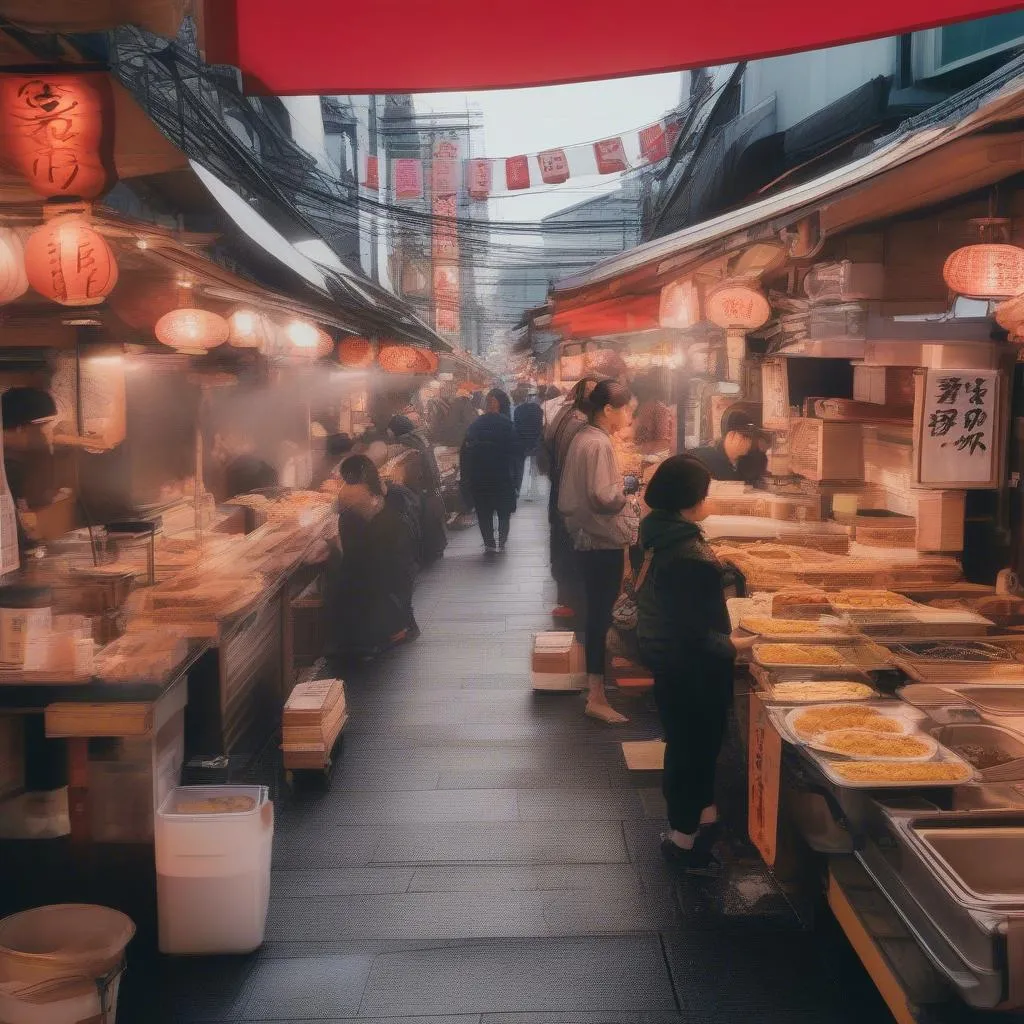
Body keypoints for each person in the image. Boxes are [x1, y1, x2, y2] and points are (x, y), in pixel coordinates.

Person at [636, 455, 756, 871]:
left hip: (671, 665)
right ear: (690, 499)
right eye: (704, 493)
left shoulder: (657, 534)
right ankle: (682, 840)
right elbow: (695, 632)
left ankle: (706, 823)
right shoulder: (689, 553)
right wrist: (736, 646)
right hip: (694, 670)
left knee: (691, 747)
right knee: (694, 751)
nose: (709, 500)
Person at [558, 378, 638, 725]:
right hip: (599, 539)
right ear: (609, 410)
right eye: (626, 410)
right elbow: (604, 498)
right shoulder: (599, 443)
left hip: (584, 537)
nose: (629, 416)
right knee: (600, 616)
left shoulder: (583, 437)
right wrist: (629, 487)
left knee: (596, 613)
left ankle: (597, 689)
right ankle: (596, 695)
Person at [323, 454, 420, 663]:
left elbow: (350, 547)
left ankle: (371, 636)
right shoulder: (384, 490)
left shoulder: (349, 496)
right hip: (393, 567)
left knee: (345, 579)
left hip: (370, 572)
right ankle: (398, 626)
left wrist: (333, 545)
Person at [545, 376, 601, 621]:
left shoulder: (566, 414)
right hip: (572, 496)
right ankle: (574, 603)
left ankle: (569, 599)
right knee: (572, 547)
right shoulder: (578, 423)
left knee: (563, 545)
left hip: (561, 491)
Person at [460, 388, 522, 554]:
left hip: (480, 475)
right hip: (502, 475)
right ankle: (502, 540)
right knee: (503, 511)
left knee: (484, 511)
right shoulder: (507, 424)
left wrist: (466, 477)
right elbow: (516, 453)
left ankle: (489, 542)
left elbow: (465, 453)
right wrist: (516, 480)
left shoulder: (475, 425)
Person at [1, 387, 60, 561]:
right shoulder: (9, 468)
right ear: (21, 428)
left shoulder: (16, 465)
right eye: (42, 429)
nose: (46, 436)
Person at [387, 414, 448, 563]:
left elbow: (408, 467)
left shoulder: (406, 443)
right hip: (430, 484)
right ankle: (435, 550)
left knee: (423, 519)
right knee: (430, 519)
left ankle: (427, 553)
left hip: (420, 486)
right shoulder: (418, 437)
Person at [689, 410, 763, 484]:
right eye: (744, 436)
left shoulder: (750, 461)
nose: (748, 442)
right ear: (731, 435)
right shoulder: (700, 458)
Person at [631, 370, 676, 455]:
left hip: (651, 460)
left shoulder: (660, 409)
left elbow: (663, 443)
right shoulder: (637, 405)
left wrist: (637, 450)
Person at [513, 391, 544, 501]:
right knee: (534, 467)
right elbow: (541, 426)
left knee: (520, 468)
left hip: (521, 443)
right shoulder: (539, 410)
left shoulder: (518, 410)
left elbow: (516, 427)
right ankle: (534, 490)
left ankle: (519, 490)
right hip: (534, 442)